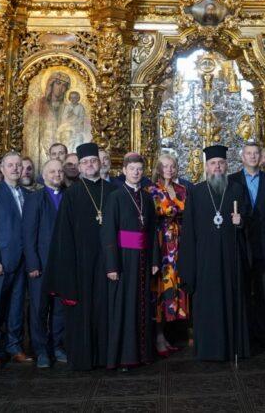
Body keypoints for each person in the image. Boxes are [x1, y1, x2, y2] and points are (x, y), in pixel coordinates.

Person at [43, 142, 116, 371]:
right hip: (81, 263)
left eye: (93, 161)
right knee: (83, 312)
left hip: (108, 261)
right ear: (80, 166)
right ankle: (84, 358)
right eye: (85, 162)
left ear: (100, 163)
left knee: (107, 308)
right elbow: (63, 235)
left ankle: (107, 356)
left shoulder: (113, 191)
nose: (90, 165)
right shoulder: (72, 194)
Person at [178, 145, 251, 361]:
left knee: (231, 299)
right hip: (205, 258)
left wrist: (240, 221)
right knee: (208, 302)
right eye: (213, 163)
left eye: (221, 163)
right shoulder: (196, 192)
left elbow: (249, 219)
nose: (217, 167)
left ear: (226, 165)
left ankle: (233, 347)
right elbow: (189, 229)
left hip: (230, 256)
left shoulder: (237, 189)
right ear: (206, 167)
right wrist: (189, 263)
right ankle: (208, 349)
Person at [103, 154, 158, 370]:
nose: (136, 172)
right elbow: (109, 232)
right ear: (124, 171)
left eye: (139, 169)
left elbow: (152, 231)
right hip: (124, 258)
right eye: (132, 168)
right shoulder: (115, 197)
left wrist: (154, 259)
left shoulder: (147, 197)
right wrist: (112, 265)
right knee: (125, 306)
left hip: (144, 258)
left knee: (142, 305)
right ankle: (125, 357)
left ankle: (143, 354)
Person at [0, 153, 31, 370]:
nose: (15, 169)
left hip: (23, 261)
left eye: (18, 165)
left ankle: (14, 347)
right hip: (0, 261)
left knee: (17, 307)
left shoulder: (28, 194)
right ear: (2, 168)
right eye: (10, 165)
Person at [229, 141, 265, 351]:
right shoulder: (232, 180)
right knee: (241, 291)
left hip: (263, 244)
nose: (252, 156)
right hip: (239, 243)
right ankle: (243, 338)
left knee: (262, 293)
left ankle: (262, 338)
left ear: (260, 157)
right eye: (248, 153)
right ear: (242, 157)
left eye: (256, 153)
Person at [22, 159, 66, 368]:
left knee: (59, 308)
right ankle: (41, 351)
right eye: (52, 171)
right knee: (39, 308)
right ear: (44, 175)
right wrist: (32, 264)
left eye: (60, 171)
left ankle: (57, 346)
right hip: (40, 264)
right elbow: (28, 234)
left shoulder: (68, 196)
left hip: (63, 264)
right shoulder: (35, 198)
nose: (57, 174)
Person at [148, 154, 189, 355]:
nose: (169, 169)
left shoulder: (182, 189)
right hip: (162, 244)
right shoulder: (152, 190)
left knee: (177, 287)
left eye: (172, 166)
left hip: (180, 243)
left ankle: (169, 334)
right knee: (161, 290)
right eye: (165, 166)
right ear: (158, 168)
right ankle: (158, 337)